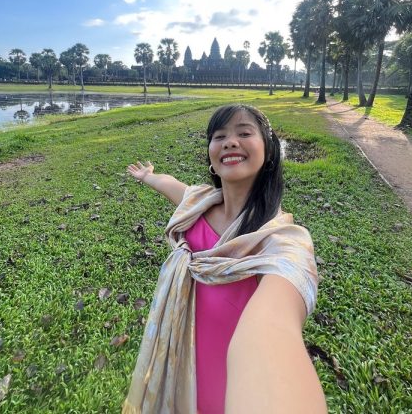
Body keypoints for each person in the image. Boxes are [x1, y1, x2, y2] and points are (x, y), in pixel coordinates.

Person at [122, 104, 327, 414]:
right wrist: (148, 176)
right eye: (220, 136)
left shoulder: (280, 240)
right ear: (211, 159)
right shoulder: (199, 203)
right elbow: (173, 187)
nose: (231, 141)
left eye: (244, 133)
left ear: (269, 151)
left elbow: (274, 325)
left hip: (230, 389)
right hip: (184, 365)